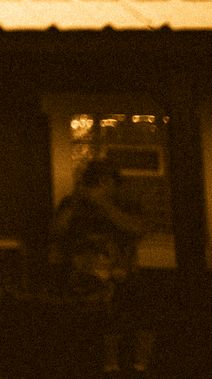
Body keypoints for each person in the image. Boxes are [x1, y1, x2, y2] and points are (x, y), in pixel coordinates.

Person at [49, 157, 155, 375]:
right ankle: (105, 364)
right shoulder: (73, 203)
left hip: (122, 273)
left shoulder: (125, 204)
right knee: (94, 325)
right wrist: (77, 200)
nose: (101, 186)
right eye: (96, 181)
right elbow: (56, 231)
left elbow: (139, 229)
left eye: (106, 181)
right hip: (84, 275)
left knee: (138, 318)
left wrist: (105, 205)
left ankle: (138, 364)